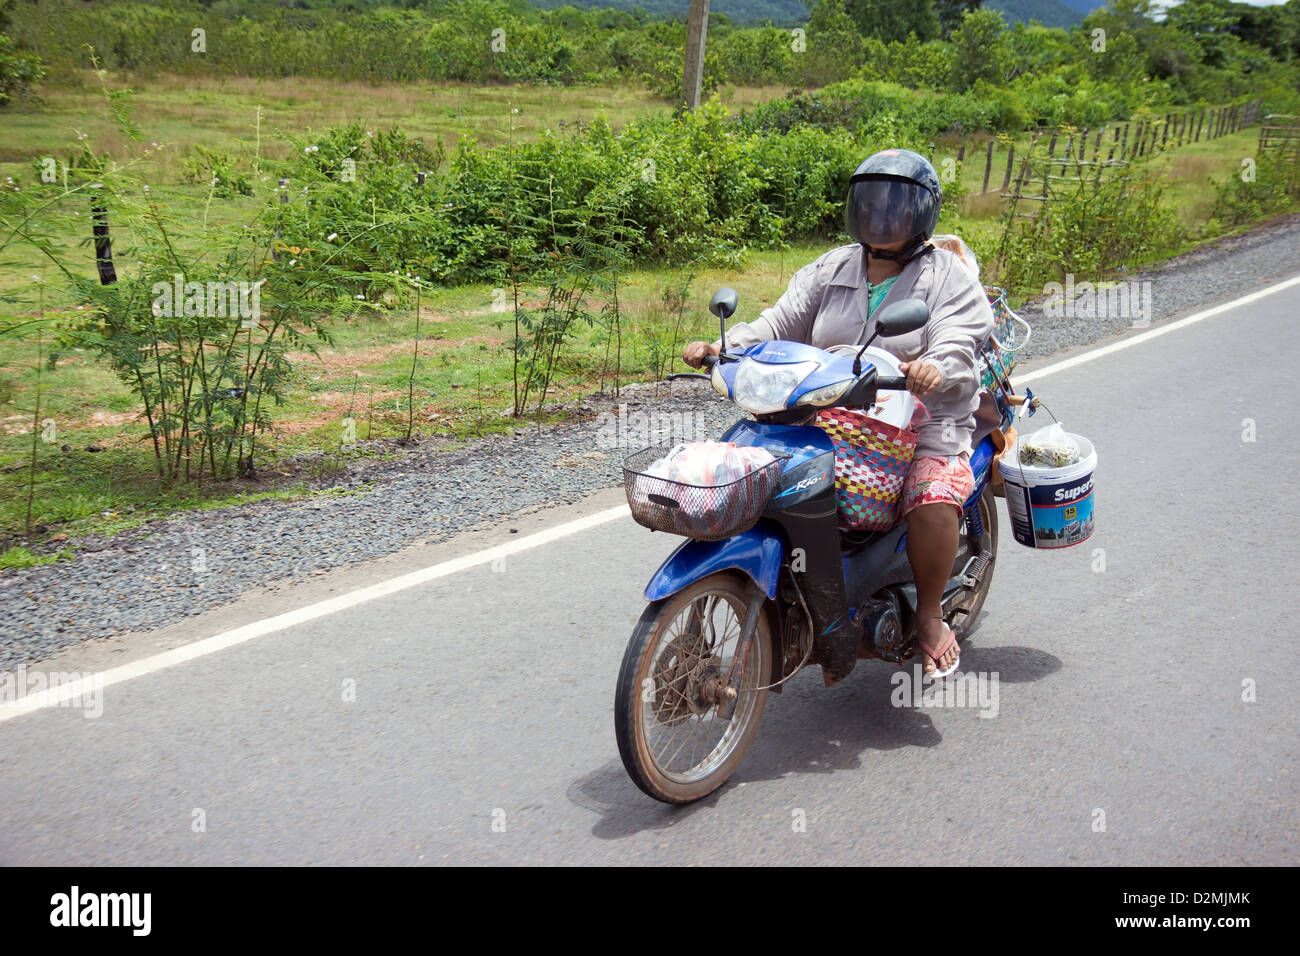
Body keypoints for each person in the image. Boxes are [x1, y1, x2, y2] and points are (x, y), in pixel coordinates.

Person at [682, 148, 994, 678]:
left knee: (932, 497)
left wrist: (933, 366)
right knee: (750, 469)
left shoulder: (947, 277)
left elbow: (959, 341)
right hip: (830, 413)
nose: (881, 215)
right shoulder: (834, 265)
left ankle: (930, 617)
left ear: (922, 213)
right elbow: (780, 321)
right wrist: (724, 346)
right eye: (871, 202)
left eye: (896, 204)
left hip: (925, 424)